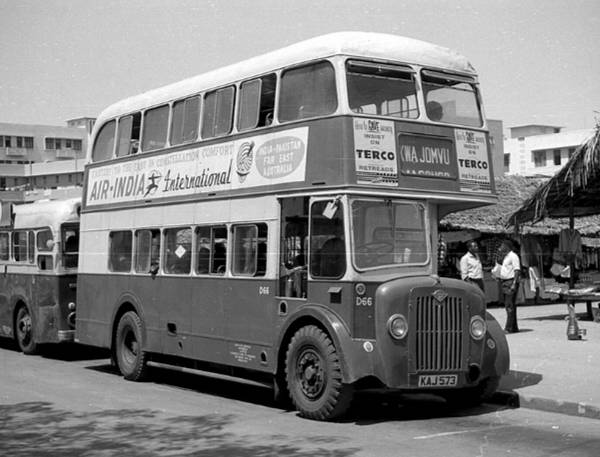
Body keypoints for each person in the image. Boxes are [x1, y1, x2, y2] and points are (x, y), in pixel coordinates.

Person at [498, 239, 521, 333]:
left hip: (510, 282)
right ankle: (514, 327)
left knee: (509, 306)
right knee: (511, 305)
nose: (500, 247)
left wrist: (514, 283)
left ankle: (508, 328)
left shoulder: (513, 256)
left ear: (507, 246)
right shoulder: (506, 257)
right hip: (505, 282)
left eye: (502, 245)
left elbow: (517, 270)